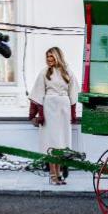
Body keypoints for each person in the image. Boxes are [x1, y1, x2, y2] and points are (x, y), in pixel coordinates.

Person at [28, 47, 79, 185]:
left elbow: (74, 92)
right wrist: (34, 114)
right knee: (51, 143)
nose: (49, 59)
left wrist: (73, 112)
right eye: (47, 57)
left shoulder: (68, 72)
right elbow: (37, 93)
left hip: (63, 108)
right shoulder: (44, 72)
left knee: (61, 143)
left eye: (51, 56)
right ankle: (53, 175)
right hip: (49, 108)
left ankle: (60, 173)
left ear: (57, 57)